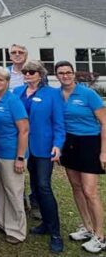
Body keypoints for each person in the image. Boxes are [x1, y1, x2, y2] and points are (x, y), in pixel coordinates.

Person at [13, 60, 64, 253]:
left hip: (43, 147)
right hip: (22, 148)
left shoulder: (52, 94)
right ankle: (45, 223)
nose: (27, 74)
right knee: (34, 186)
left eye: (31, 71)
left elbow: (59, 123)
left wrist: (58, 144)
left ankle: (55, 233)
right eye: (25, 71)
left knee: (43, 186)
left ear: (40, 74)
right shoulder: (17, 92)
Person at [55, 60, 106, 253]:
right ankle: (87, 227)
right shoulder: (56, 95)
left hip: (89, 143)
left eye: (68, 72)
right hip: (69, 143)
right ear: (56, 75)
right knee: (76, 187)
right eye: (61, 73)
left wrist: (104, 152)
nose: (65, 76)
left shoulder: (87, 94)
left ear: (74, 74)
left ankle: (100, 236)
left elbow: (104, 122)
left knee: (90, 191)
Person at [0, 66, 29, 245]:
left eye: (1, 79)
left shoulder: (13, 101)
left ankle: (17, 230)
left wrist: (20, 157)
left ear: (7, 82)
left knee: (13, 191)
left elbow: (24, 130)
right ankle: (2, 222)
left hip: (10, 154)